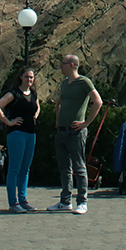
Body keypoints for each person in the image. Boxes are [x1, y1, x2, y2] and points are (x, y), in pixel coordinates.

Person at [47, 54, 102, 215]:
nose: (61, 66)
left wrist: (86, 123)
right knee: (64, 168)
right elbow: (59, 101)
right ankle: (65, 201)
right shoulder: (65, 83)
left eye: (63, 63)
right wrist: (57, 119)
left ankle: (82, 202)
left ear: (71, 65)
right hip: (62, 131)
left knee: (79, 166)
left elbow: (98, 101)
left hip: (76, 132)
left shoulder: (84, 82)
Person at [0, 67, 41, 213]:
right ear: (21, 77)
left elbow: (37, 107)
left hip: (30, 134)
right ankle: (13, 202)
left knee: (25, 169)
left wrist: (35, 116)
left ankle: (23, 200)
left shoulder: (33, 93)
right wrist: (8, 122)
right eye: (26, 76)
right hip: (16, 134)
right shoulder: (14, 93)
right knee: (14, 168)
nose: (29, 80)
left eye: (31, 77)